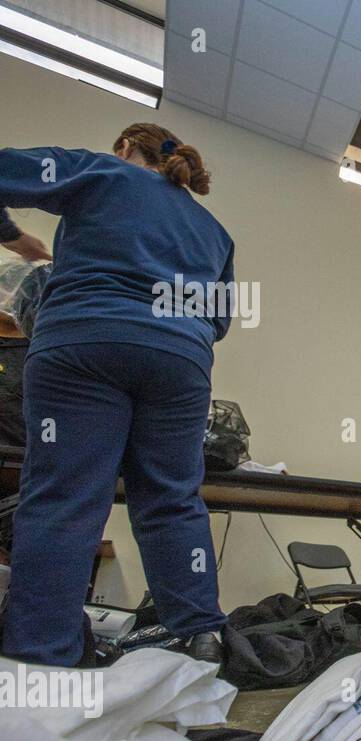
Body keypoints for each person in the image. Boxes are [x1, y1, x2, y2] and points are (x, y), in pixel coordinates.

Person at [0, 124, 233, 668]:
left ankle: (41, 656)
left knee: (67, 498)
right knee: (173, 500)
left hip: (85, 340)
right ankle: (201, 637)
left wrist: (13, 239)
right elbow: (219, 321)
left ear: (127, 148)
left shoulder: (101, 171)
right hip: (181, 361)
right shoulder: (215, 232)